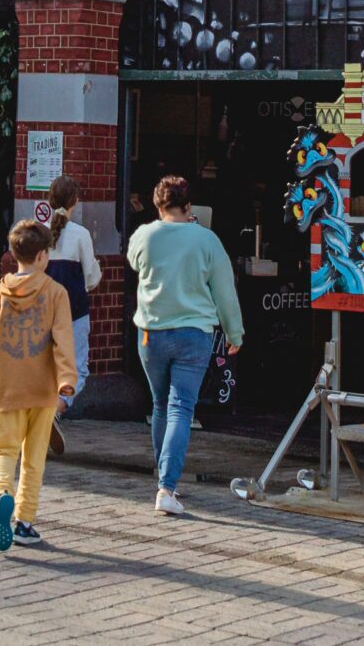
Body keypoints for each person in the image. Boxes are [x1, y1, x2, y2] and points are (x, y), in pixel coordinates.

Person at [125, 174, 243, 517]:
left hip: (151, 332)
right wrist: (234, 332)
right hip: (194, 332)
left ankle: (164, 480)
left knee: (160, 404)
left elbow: (134, 263)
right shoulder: (206, 240)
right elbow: (224, 289)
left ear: (157, 204)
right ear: (188, 206)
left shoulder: (143, 235)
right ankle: (167, 486)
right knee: (181, 408)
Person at [0, 220, 77, 552]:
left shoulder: (1, 294)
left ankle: (2, 494)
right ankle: (24, 522)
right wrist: (67, 380)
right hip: (44, 388)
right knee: (34, 458)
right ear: (42, 255)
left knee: (4, 452)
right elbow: (63, 340)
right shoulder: (56, 293)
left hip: (8, 387)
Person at [41, 174, 102, 458]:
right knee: (76, 369)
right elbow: (91, 277)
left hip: (41, 311)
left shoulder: (35, 230)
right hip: (74, 310)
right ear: (75, 201)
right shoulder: (81, 235)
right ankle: (55, 410)